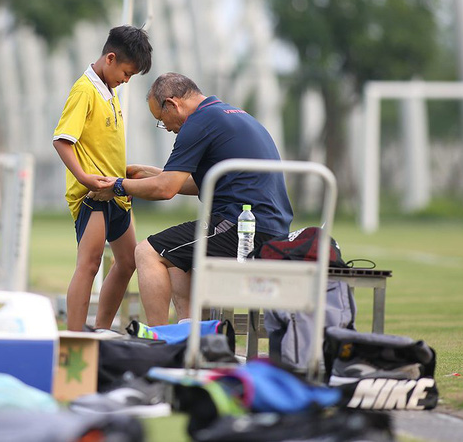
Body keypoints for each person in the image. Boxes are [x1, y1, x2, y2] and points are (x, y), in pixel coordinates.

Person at [90, 73, 293, 326]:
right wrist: (151, 174)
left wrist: (117, 186)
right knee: (176, 258)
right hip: (270, 228)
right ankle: (188, 336)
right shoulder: (228, 114)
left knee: (147, 252)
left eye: (161, 120)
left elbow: (166, 190)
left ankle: (160, 341)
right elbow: (197, 182)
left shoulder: (198, 123)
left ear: (172, 104)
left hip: (243, 228)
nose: (167, 128)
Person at [52, 25, 152, 331]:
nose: (126, 80)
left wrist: (123, 176)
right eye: (126, 73)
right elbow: (62, 140)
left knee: (128, 262)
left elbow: (103, 143)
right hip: (93, 196)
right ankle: (75, 340)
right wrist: (84, 177)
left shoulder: (109, 90)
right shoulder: (84, 90)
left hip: (117, 193)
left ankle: (100, 330)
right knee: (90, 265)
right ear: (110, 58)